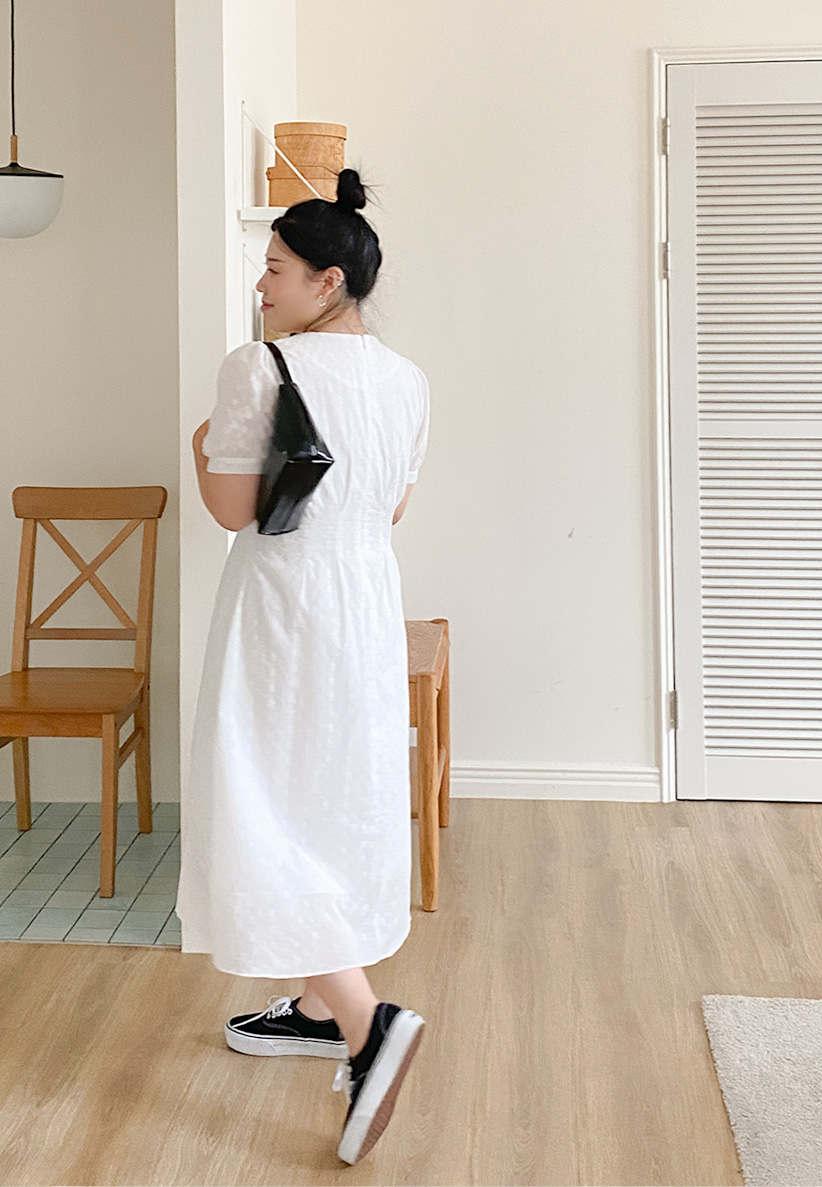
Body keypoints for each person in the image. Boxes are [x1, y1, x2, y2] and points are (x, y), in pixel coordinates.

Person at [174, 167, 429, 1166]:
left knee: (262, 802)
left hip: (282, 610)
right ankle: (322, 1008)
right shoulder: (406, 378)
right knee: (335, 796)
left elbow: (233, 510)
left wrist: (203, 442)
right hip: (364, 606)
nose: (261, 285)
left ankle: (367, 1023)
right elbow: (391, 506)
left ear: (328, 281)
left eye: (275, 269)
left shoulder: (259, 366)